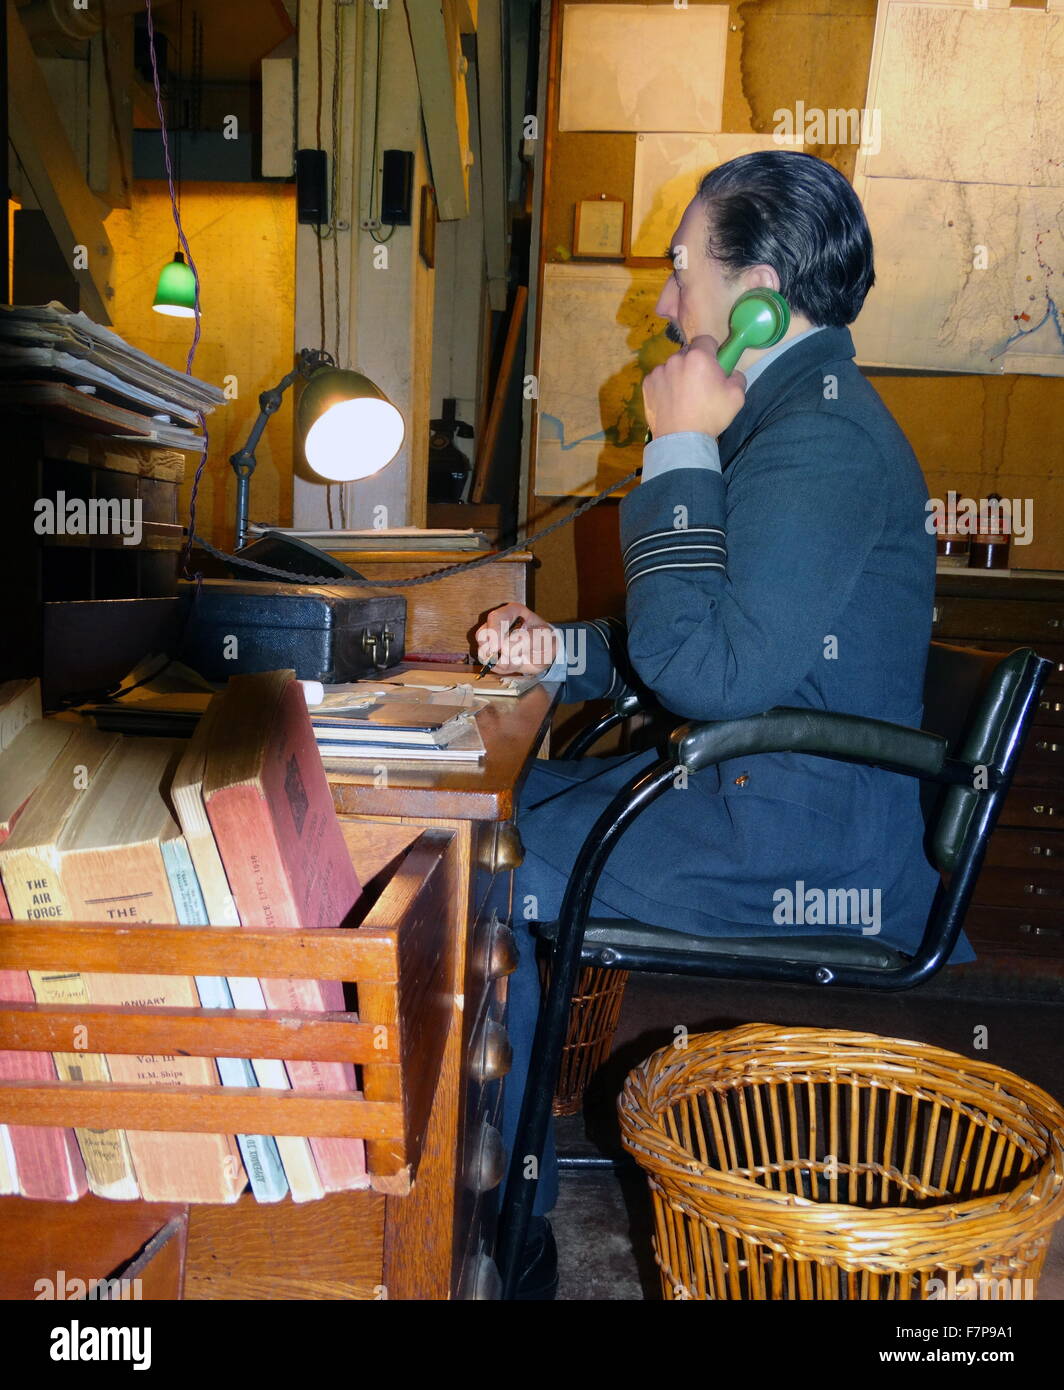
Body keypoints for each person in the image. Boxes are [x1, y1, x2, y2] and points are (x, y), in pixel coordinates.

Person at [475, 151, 969, 1299]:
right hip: (752, 791)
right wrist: (561, 650)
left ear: (758, 290)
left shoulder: (819, 440)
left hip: (797, 839)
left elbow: (710, 671)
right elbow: (712, 636)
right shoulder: (797, 412)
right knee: (492, 815)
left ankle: (505, 1218)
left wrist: (678, 445)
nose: (660, 300)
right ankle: (503, 1181)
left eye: (677, 269)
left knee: (478, 859)